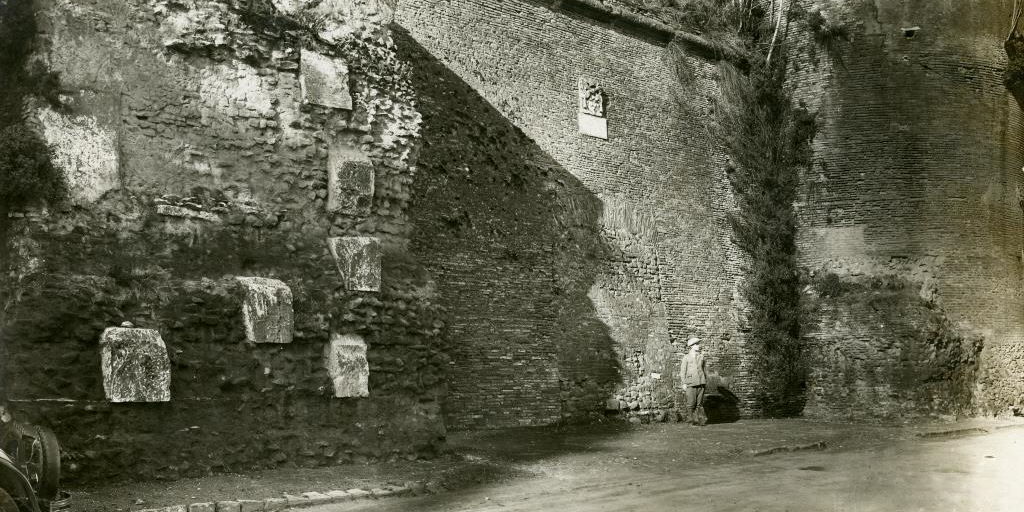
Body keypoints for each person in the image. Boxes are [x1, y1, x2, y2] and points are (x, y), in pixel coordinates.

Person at [679, 337, 707, 425]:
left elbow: (703, 369)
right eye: (696, 344)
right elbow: (683, 371)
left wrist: (704, 380)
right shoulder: (686, 357)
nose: (698, 346)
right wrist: (684, 383)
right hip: (690, 382)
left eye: (698, 344)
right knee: (691, 403)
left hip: (701, 382)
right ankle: (690, 420)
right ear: (692, 346)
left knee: (699, 403)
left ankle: (698, 420)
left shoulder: (701, 357)